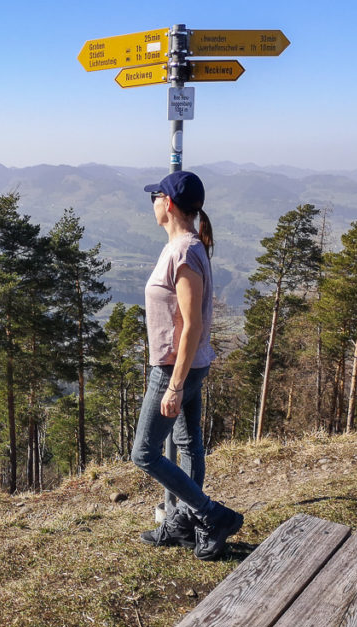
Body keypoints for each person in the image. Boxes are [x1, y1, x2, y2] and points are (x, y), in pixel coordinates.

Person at [130, 170, 243, 561]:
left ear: (170, 204)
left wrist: (174, 384)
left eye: (155, 197)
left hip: (175, 368)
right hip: (189, 364)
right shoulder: (186, 247)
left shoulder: (183, 252)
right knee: (186, 441)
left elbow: (192, 322)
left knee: (144, 453)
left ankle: (211, 515)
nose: (153, 204)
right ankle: (182, 523)